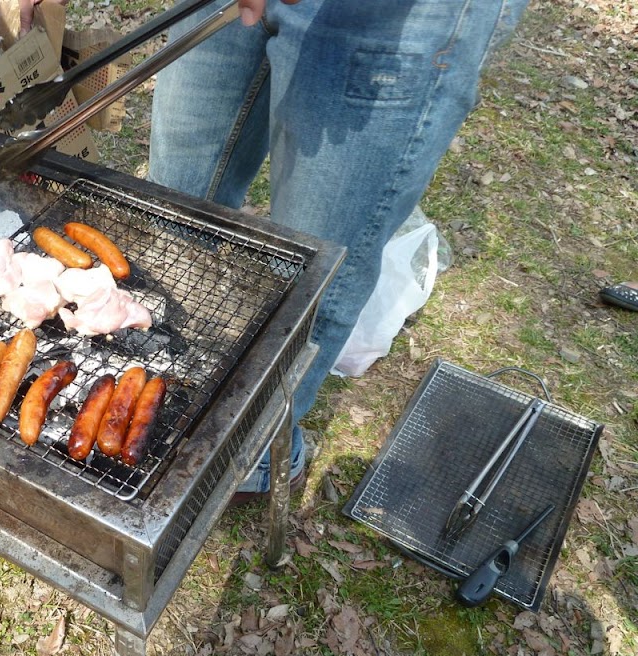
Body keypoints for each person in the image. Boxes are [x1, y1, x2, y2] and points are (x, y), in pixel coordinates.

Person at [147, 0, 531, 504]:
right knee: (175, 207)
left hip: (391, 20)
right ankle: (172, 381)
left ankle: (255, 461)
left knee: (312, 271)